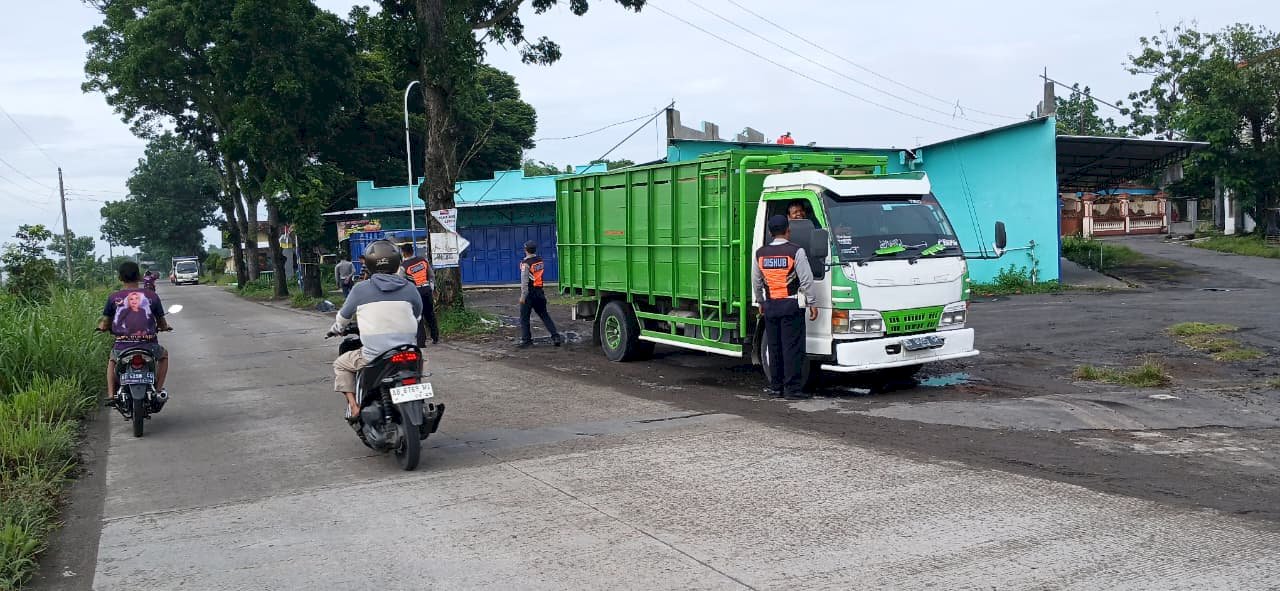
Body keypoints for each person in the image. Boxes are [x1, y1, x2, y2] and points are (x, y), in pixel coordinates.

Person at [329, 240, 423, 420]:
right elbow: (417, 313)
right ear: (397, 262)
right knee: (417, 368)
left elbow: (342, 318)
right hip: (408, 350)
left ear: (369, 263)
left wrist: (336, 329)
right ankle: (416, 399)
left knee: (340, 364)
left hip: (375, 354)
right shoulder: (410, 287)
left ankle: (354, 407)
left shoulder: (360, 289)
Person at [752, 215, 817, 400]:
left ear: (771, 233)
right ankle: (792, 390)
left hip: (770, 306)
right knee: (792, 349)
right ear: (788, 230)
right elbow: (806, 280)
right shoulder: (796, 251)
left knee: (774, 347)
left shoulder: (760, 253)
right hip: (791, 305)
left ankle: (775, 387)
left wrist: (760, 302)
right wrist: (812, 302)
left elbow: (756, 281)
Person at [98, 261, 171, 403]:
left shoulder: (113, 298)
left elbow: (105, 322)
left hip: (122, 346)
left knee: (112, 360)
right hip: (148, 346)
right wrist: (165, 327)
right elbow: (161, 322)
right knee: (164, 356)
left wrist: (102, 327)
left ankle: (111, 395)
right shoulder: (152, 296)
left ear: (120, 277)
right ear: (139, 277)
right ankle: (157, 390)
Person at [516, 240, 562, 349]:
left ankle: (526, 341)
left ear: (525, 250)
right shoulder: (539, 260)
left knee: (524, 318)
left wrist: (523, 296)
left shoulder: (525, 263)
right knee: (544, 315)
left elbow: (525, 282)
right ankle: (556, 337)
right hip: (540, 292)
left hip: (529, 294)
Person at [397, 242, 439, 346]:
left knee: (418, 317)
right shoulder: (423, 260)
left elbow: (400, 282)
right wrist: (431, 289)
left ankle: (421, 342)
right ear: (412, 250)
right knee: (430, 314)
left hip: (415, 293)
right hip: (427, 290)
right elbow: (431, 276)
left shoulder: (403, 266)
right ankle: (435, 337)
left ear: (403, 253)